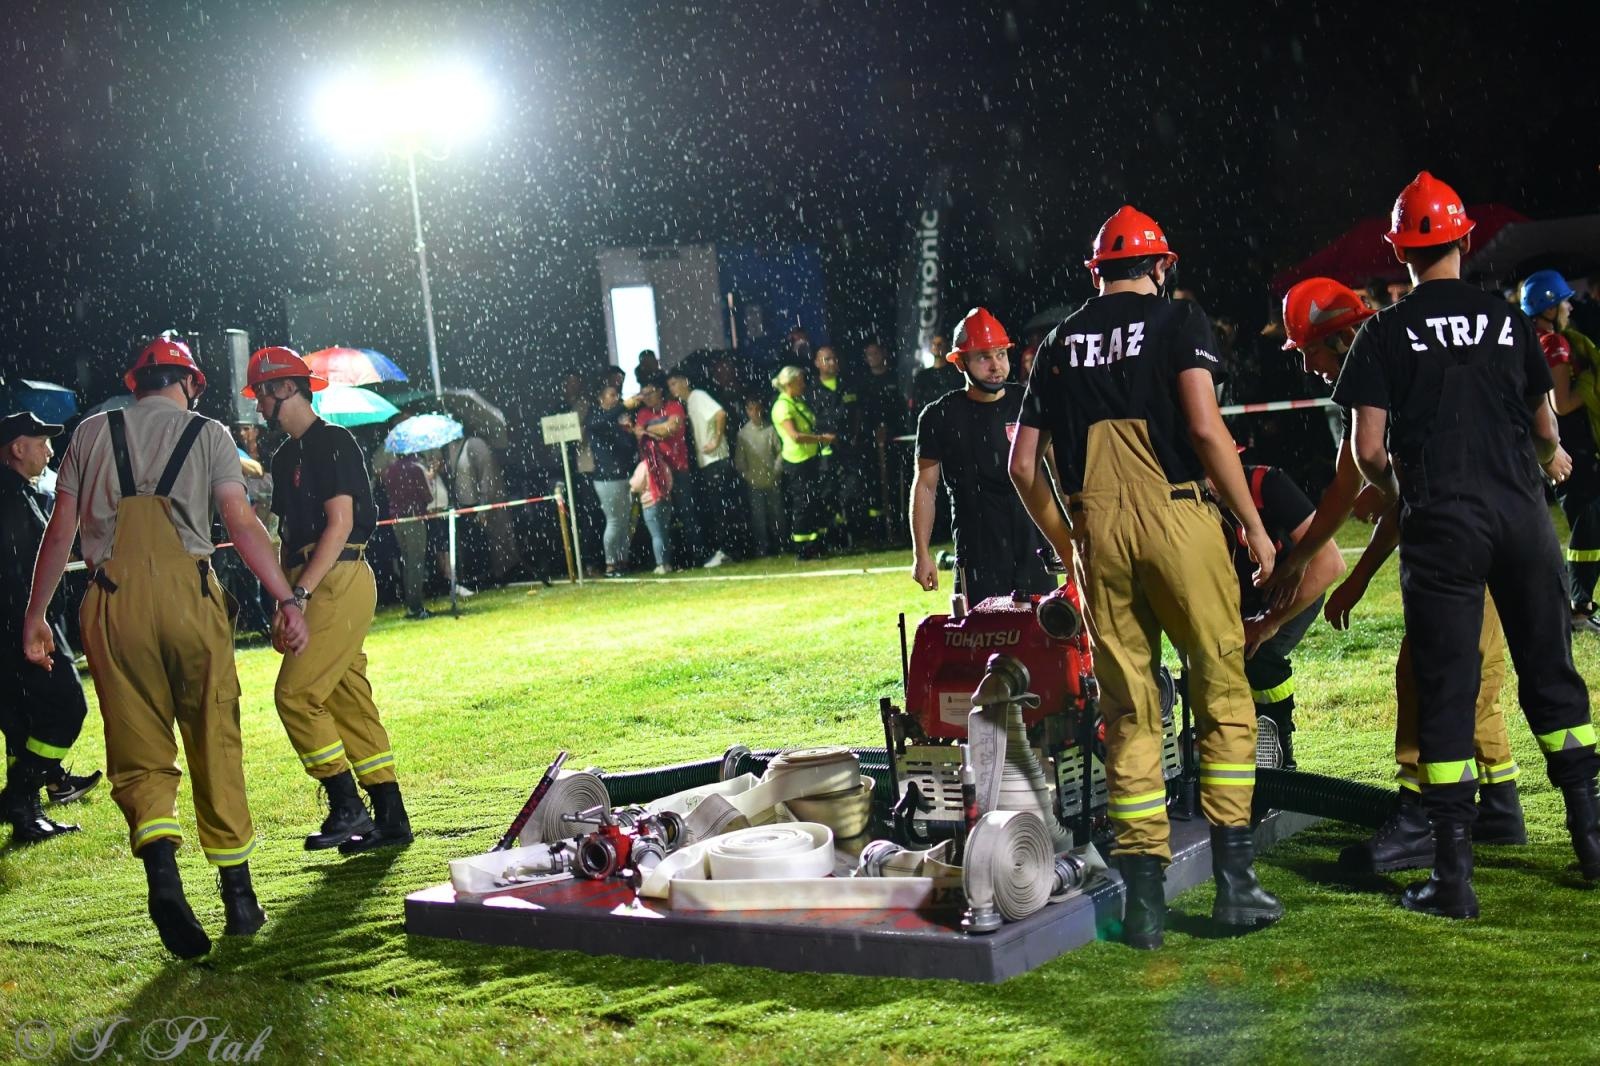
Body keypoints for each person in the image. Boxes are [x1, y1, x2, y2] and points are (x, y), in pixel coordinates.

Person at [1009, 204, 1282, 949]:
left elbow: (1022, 466)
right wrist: (1253, 526)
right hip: (1178, 518)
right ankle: (1235, 887)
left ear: (1094, 274)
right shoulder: (1176, 321)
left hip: (1100, 535)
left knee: (1131, 713)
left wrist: (1069, 541)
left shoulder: (1061, 341)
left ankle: (1146, 909)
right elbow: (1202, 426)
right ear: (1162, 267)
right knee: (1220, 688)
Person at [1333, 172, 1600, 917]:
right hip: (1521, 515)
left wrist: (1411, 492)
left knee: (1447, 698)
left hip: (1444, 524)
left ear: (1399, 253)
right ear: (1464, 240)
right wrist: (1534, 462)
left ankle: (1453, 881)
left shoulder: (1383, 332)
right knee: (1554, 680)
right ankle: (1592, 843)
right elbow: (1547, 430)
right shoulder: (1508, 320)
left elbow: (1370, 452)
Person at [24, 338, 307, 958]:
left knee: (137, 746)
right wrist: (287, 599)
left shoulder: (92, 432)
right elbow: (239, 520)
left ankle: (164, 878)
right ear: (192, 384)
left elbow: (61, 530)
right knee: (213, 735)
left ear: (136, 382)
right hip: (191, 596)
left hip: (111, 601)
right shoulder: (207, 435)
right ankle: (239, 897)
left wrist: (37, 614)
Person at [1273, 276, 1527, 872]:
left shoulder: (1384, 363)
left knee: (1426, 674)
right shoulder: (1413, 355)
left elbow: (1370, 482)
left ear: (1338, 340)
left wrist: (1308, 562)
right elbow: (1381, 489)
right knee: (1474, 673)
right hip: (1497, 524)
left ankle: (1419, 819)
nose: (1306, 366)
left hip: (1469, 536)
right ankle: (1501, 805)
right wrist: (1339, 568)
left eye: (1306, 348)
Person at [245, 345, 414, 856]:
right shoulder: (283, 454)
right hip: (312, 580)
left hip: (336, 577)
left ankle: (347, 806)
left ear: (285, 389)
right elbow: (284, 534)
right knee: (347, 699)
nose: (257, 408)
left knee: (296, 695)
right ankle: (390, 818)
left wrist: (297, 593)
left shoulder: (334, 441)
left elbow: (339, 525)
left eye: (261, 395)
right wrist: (284, 597)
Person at [912, 308, 1054, 604]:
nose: (996, 366)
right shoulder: (938, 416)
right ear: (960, 362)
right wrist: (921, 554)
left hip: (1034, 545)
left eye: (1001, 354)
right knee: (980, 641)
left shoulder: (1029, 402)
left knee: (1044, 640)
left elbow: (1059, 469)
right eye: (983, 357)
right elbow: (925, 486)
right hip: (977, 551)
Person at [0, 412, 97, 843]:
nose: (50, 450)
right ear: (16, 449)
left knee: (23, 719)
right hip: (24, 626)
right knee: (66, 710)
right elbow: (21, 569)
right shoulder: (9, 496)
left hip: (19, 623)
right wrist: (34, 621)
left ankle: (27, 813)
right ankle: (22, 797)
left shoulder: (17, 492)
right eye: (41, 442)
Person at [1229, 462, 1347, 770]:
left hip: (1289, 588)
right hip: (1232, 594)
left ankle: (1277, 750)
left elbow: (1329, 565)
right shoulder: (1185, 500)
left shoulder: (1268, 485)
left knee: (1260, 654)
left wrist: (1267, 623)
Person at [1519, 269, 1600, 632]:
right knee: (1588, 523)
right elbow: (1563, 404)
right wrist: (1589, 381)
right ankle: (1578, 606)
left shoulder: (1530, 340)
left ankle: (1576, 604)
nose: (1569, 305)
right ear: (1548, 306)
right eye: (1562, 299)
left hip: (1555, 450)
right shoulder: (1553, 344)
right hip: (1567, 452)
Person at [627, 376, 699, 564]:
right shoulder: (642, 413)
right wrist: (661, 428)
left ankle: (697, 556)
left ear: (660, 391)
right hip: (657, 472)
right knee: (660, 519)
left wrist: (649, 430)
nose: (647, 397)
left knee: (687, 513)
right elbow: (639, 434)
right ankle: (667, 561)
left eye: (650, 393)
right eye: (644, 395)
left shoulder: (674, 406)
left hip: (678, 467)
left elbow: (672, 428)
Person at [666, 367, 732, 568]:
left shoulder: (697, 396)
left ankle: (725, 550)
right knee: (718, 507)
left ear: (685, 381)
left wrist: (716, 439)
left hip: (715, 460)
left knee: (720, 507)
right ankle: (727, 549)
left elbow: (720, 413)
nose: (672, 388)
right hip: (709, 461)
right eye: (670, 385)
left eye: (675, 383)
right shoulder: (690, 402)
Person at [771, 365, 835, 560]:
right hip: (797, 461)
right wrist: (821, 439)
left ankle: (816, 544)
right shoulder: (783, 406)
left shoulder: (796, 402)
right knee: (803, 504)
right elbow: (795, 436)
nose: (804, 384)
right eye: (800, 381)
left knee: (814, 501)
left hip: (809, 459)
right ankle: (802, 547)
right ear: (789, 383)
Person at [857, 341, 908, 544]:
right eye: (868, 354)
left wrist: (891, 428)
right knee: (874, 488)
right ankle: (878, 533)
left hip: (893, 442)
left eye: (876, 353)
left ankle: (897, 529)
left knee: (895, 486)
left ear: (884, 354)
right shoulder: (864, 383)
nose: (873, 357)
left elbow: (902, 408)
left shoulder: (895, 378)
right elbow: (861, 413)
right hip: (871, 444)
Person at [586, 381, 638, 577]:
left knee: (625, 522)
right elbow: (599, 424)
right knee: (615, 521)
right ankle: (610, 564)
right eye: (611, 395)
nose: (616, 399)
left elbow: (627, 448)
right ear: (600, 399)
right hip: (606, 478)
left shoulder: (618, 420)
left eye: (617, 395)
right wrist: (623, 407)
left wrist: (631, 433)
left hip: (623, 475)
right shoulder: (596, 417)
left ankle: (622, 561)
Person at [381, 451, 434, 618]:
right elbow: (428, 496)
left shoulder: (390, 470)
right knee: (416, 563)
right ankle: (415, 606)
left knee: (407, 563)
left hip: (397, 522)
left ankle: (411, 603)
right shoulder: (416, 469)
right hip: (413, 519)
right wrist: (429, 480)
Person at [735, 395, 784, 557]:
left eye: (757, 408)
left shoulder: (771, 429)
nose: (754, 412)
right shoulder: (743, 434)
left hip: (773, 479)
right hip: (754, 482)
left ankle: (781, 544)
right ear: (746, 411)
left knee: (776, 514)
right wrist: (749, 477)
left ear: (761, 409)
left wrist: (776, 471)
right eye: (750, 409)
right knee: (759, 518)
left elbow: (780, 452)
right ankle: (762, 548)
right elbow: (740, 461)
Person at [629, 453, 673, 574]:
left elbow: (636, 485)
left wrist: (632, 486)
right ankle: (667, 563)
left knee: (656, 535)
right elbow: (670, 482)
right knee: (664, 533)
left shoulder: (643, 466)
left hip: (650, 504)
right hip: (665, 501)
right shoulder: (663, 464)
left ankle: (660, 564)